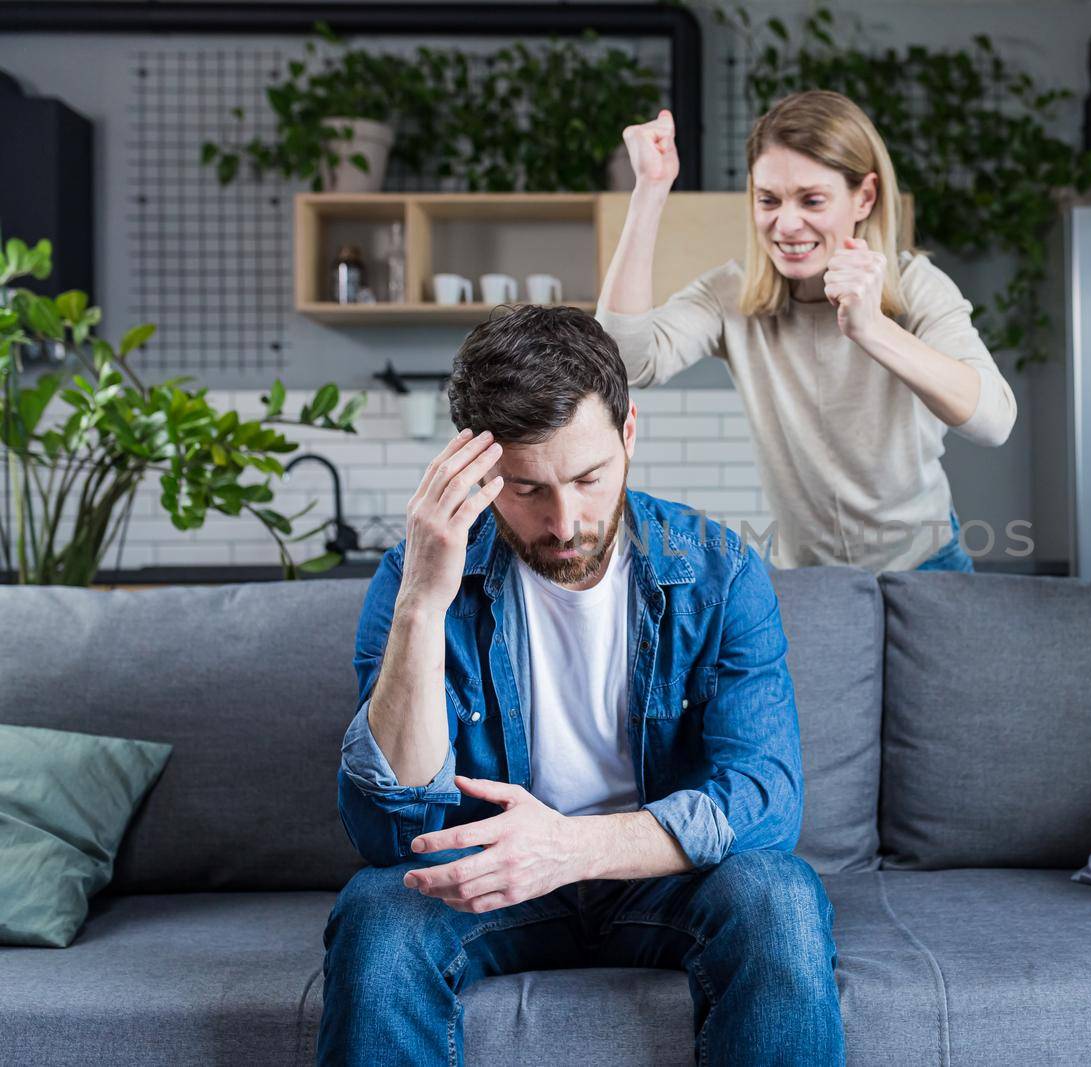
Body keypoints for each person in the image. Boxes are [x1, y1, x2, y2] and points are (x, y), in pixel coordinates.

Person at [317, 306, 844, 1065]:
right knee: (379, 913)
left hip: (658, 880)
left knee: (779, 897)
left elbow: (765, 799)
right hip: (495, 886)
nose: (564, 522)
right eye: (527, 489)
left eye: (590, 477)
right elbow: (387, 833)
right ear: (476, 471)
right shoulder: (415, 575)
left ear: (629, 434)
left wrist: (570, 848)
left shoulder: (720, 570)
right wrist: (424, 607)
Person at [597, 89, 1017, 574]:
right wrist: (649, 191)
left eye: (812, 200)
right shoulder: (730, 294)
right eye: (768, 200)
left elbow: (993, 421)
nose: (786, 223)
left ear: (865, 197)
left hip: (927, 562)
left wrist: (872, 328)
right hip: (809, 576)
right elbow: (625, 363)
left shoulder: (917, 288)